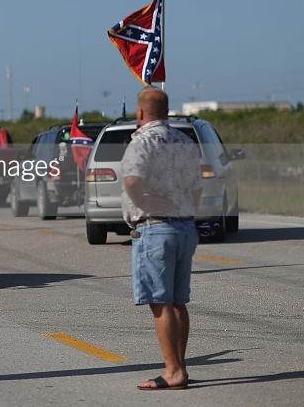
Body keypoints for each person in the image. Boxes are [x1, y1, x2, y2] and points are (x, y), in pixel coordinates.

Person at [120, 86, 202, 391]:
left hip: (156, 229)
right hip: (184, 227)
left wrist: (145, 203)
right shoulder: (184, 140)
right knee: (178, 301)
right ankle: (180, 366)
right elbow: (197, 185)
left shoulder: (141, 141)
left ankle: (172, 371)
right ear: (166, 111)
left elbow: (132, 180)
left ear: (140, 113)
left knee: (160, 301)